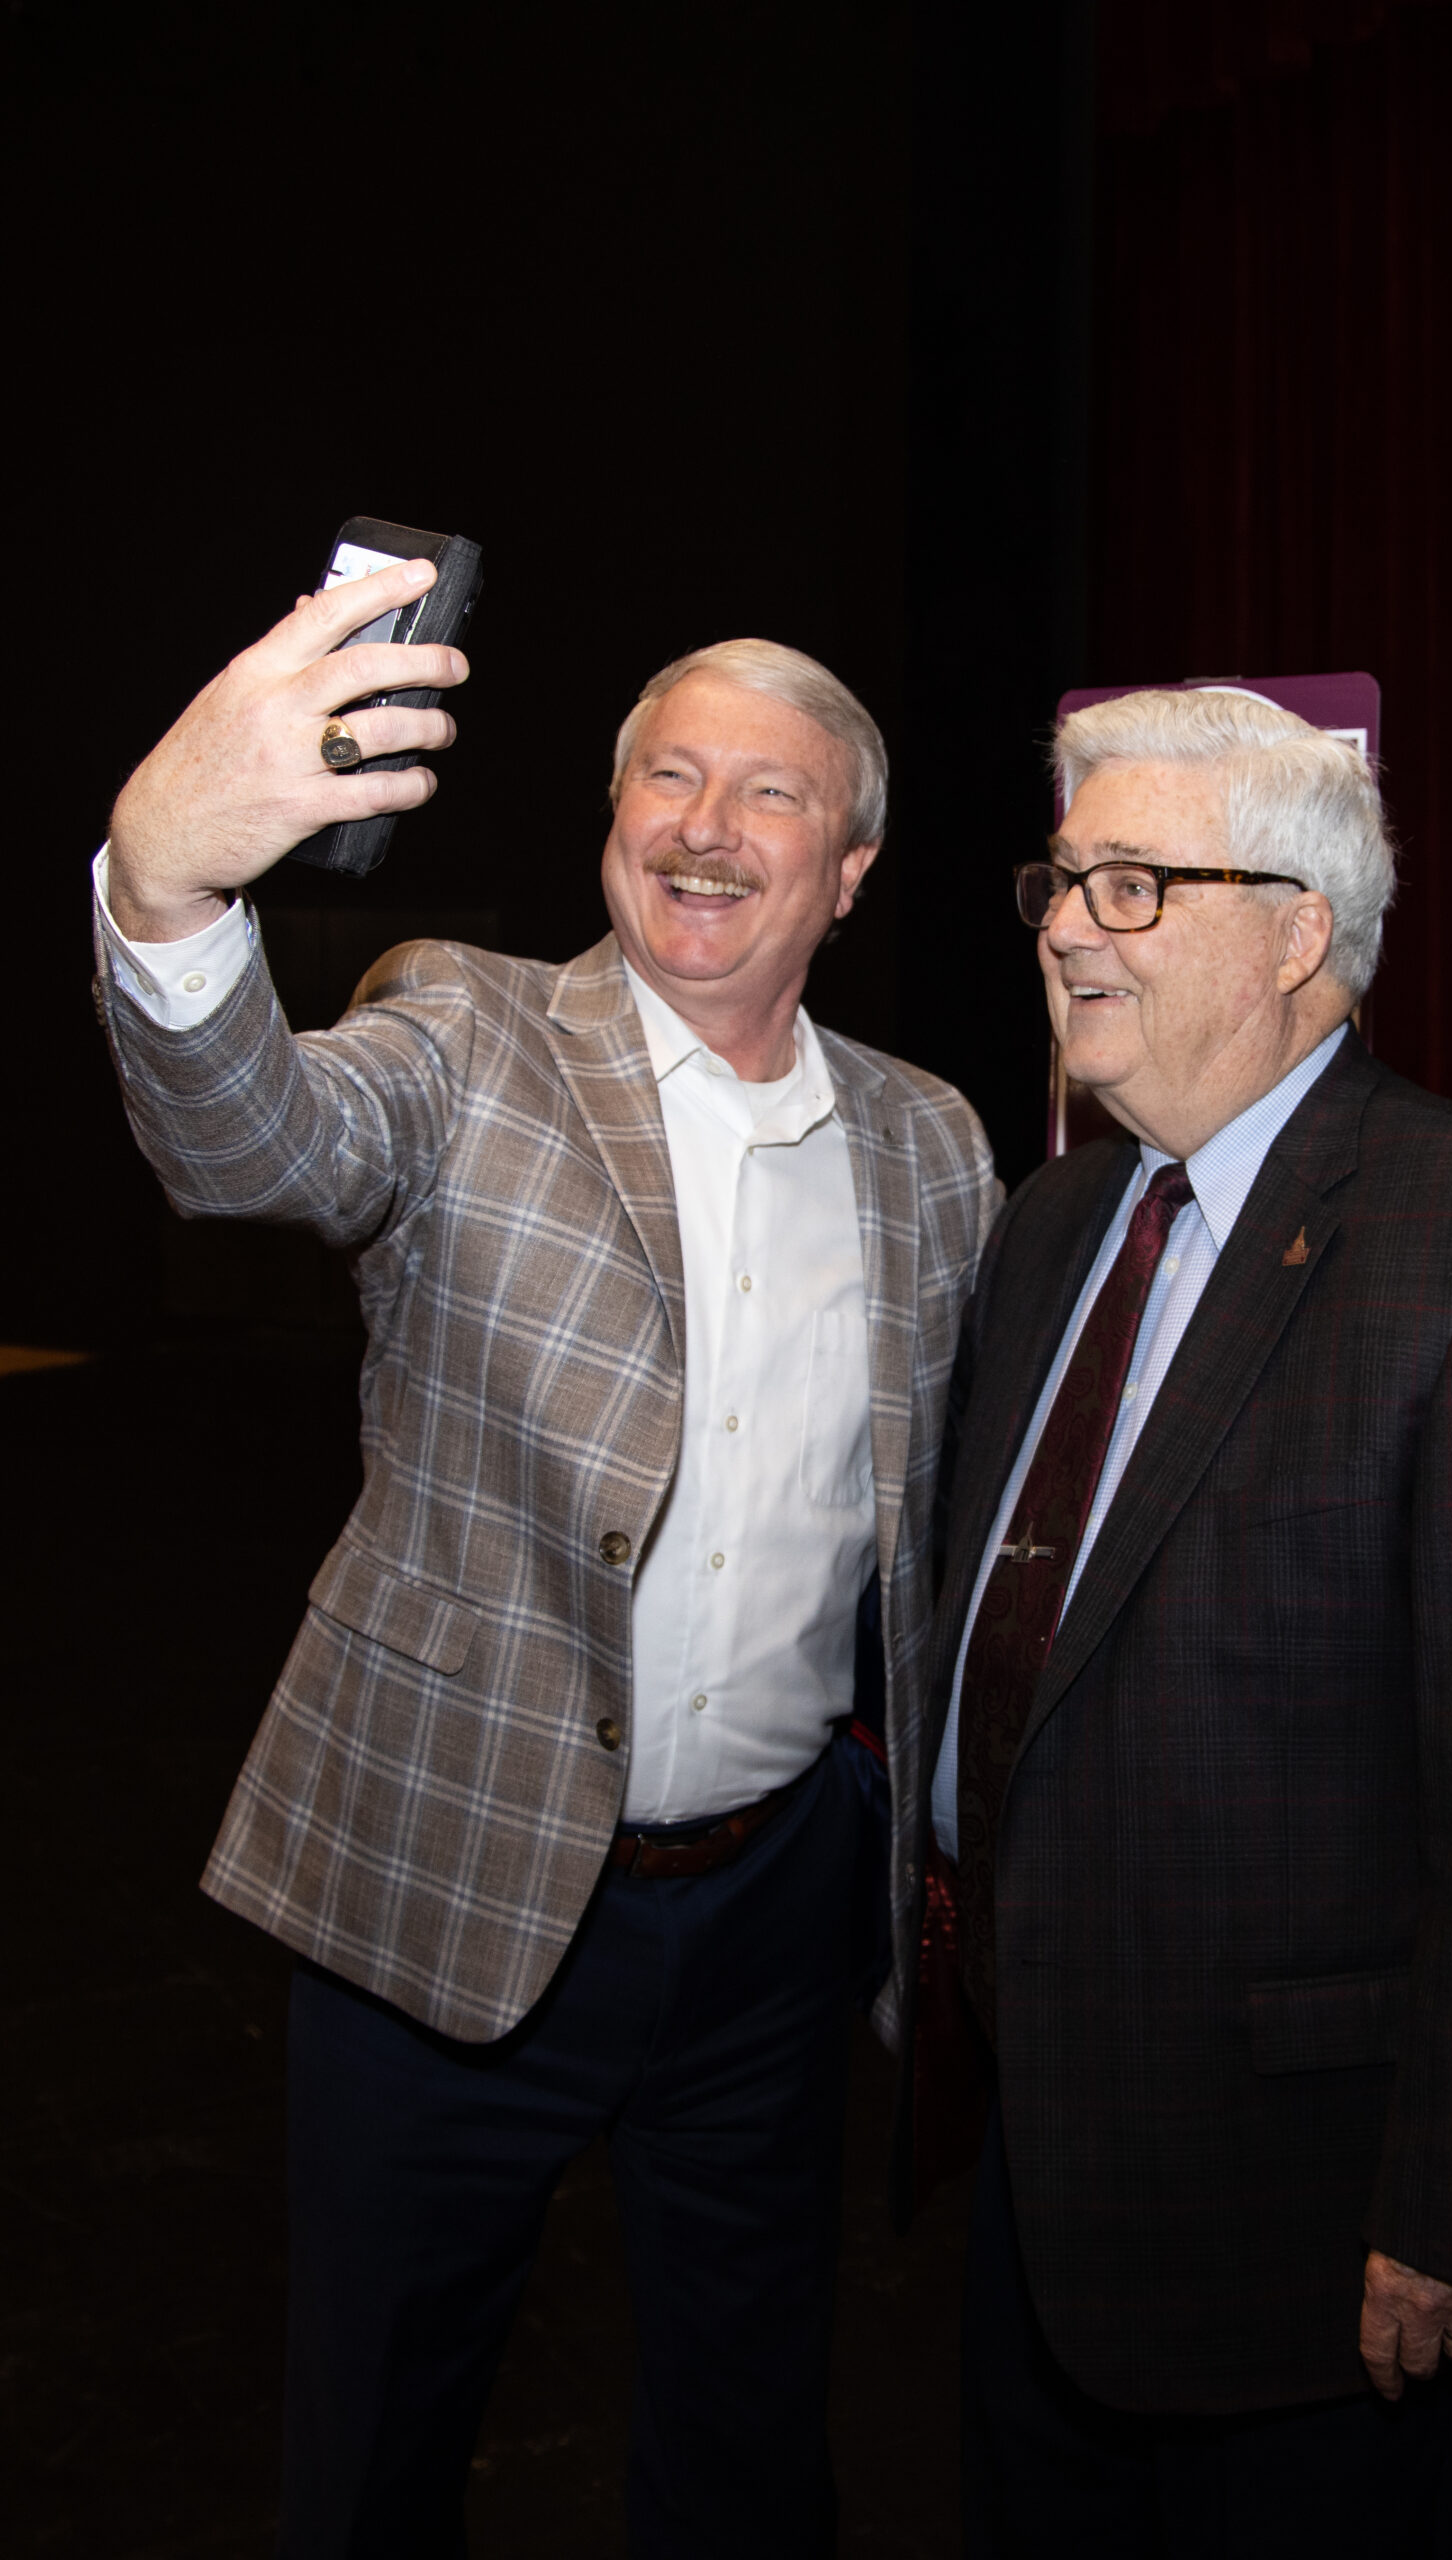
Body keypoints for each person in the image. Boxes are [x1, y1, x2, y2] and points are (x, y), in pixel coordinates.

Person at [94, 557, 998, 2558]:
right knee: (376, 2450)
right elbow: (256, 1144)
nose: (700, 823)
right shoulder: (463, 1030)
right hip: (453, 1882)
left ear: (847, 867)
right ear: (609, 821)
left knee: (750, 2445)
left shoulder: (933, 1143)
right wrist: (166, 888)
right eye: (663, 777)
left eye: (763, 792)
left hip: (768, 1915)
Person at [905, 686, 1452, 2557]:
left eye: (1137, 885)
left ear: (1299, 932)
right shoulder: (1051, 1225)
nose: (1072, 925)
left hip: (1315, 2246)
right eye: (1066, 881)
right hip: (1031, 2178)